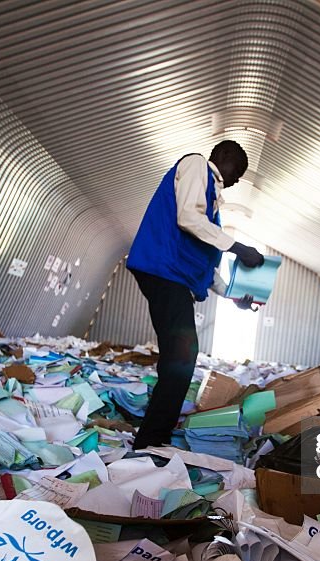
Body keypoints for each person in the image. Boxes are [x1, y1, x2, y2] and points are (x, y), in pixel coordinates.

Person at [126, 140, 265, 450]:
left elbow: (204, 262)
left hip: (173, 275)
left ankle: (153, 435)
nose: (238, 179)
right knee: (181, 356)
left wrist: (233, 297)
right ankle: (151, 440)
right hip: (162, 270)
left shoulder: (212, 208)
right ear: (225, 157)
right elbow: (188, 218)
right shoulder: (195, 164)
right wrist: (237, 247)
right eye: (238, 171)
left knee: (180, 357)